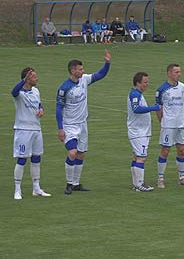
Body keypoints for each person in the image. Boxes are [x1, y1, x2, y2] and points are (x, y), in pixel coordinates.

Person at [57, 50, 111, 195]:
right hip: (70, 126)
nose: (83, 71)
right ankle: (68, 184)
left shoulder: (84, 80)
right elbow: (58, 108)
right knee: (73, 153)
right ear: (73, 71)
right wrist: (60, 128)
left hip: (83, 124)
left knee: (81, 154)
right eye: (80, 69)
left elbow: (100, 75)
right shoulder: (64, 88)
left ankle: (75, 183)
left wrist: (107, 63)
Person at [12, 68, 51, 199]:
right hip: (23, 130)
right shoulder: (20, 94)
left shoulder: (36, 91)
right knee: (22, 159)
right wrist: (22, 81)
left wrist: (41, 109)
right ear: (27, 78)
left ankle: (36, 188)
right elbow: (13, 92)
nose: (37, 78)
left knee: (36, 158)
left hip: (36, 129)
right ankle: (17, 190)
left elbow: (39, 104)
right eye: (34, 76)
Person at [156, 64, 184, 188]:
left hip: (181, 124)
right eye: (176, 72)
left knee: (182, 151)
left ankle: (181, 177)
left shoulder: (183, 87)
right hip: (168, 126)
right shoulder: (162, 90)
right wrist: (163, 122)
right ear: (169, 73)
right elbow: (158, 108)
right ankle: (160, 178)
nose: (179, 74)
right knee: (165, 151)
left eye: (179, 72)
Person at [127, 72, 161, 191]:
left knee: (137, 157)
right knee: (141, 157)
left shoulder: (138, 94)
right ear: (138, 83)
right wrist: (154, 108)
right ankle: (140, 184)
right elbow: (136, 109)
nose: (147, 84)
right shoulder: (135, 94)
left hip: (140, 131)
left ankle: (136, 184)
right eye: (145, 82)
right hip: (138, 132)